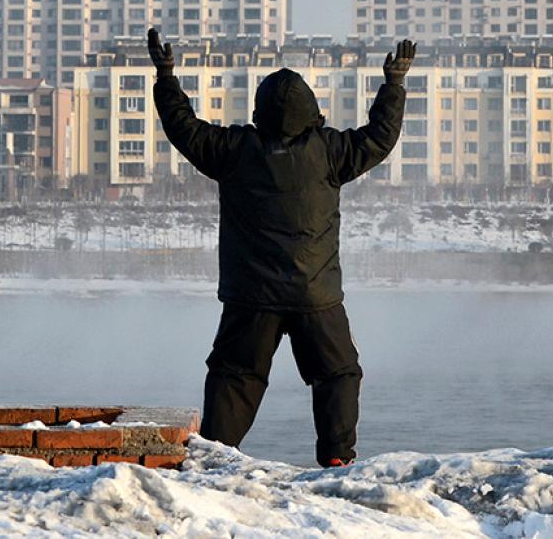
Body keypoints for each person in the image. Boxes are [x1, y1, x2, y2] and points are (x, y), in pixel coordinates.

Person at [148, 26, 414, 467]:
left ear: (259, 109)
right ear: (312, 110)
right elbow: (379, 138)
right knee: (338, 374)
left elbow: (184, 128)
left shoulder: (234, 150)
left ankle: (214, 459)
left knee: (236, 377)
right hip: (316, 295)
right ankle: (336, 458)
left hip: (251, 296)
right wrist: (394, 85)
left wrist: (166, 77)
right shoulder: (330, 152)